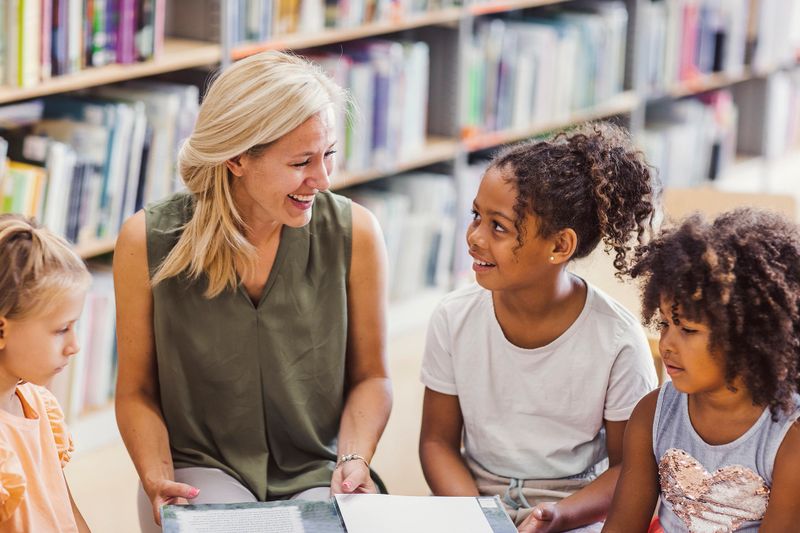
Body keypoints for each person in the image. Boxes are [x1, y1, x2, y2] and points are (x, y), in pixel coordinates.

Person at [113, 50, 392, 530]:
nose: (323, 180)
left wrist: (354, 458)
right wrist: (157, 477)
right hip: (201, 467)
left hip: (318, 466)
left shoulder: (357, 233)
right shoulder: (145, 241)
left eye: (328, 155)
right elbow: (136, 391)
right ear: (238, 157)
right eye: (301, 161)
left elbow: (372, 377)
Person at [419, 122, 659, 532]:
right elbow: (437, 442)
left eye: (498, 226)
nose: (474, 237)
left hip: (571, 513)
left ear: (559, 246)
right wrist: (482, 519)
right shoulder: (453, 317)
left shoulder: (617, 341)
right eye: (476, 215)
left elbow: (629, 470)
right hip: (472, 505)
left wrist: (558, 516)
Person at [603, 209, 800, 533]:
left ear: (748, 335)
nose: (666, 343)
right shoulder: (652, 414)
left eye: (688, 330)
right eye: (665, 323)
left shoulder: (788, 439)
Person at [0, 214, 92, 532]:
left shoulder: (39, 404)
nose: (74, 346)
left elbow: (69, 515)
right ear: (1, 329)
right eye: (61, 329)